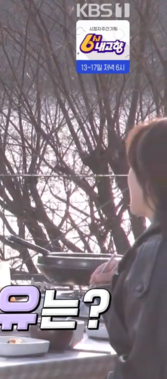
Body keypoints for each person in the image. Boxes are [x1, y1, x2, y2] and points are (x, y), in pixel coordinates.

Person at [90, 118, 167, 379]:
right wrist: (112, 290)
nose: (127, 176)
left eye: (133, 167)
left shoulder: (156, 252)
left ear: (151, 178)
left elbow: (147, 366)